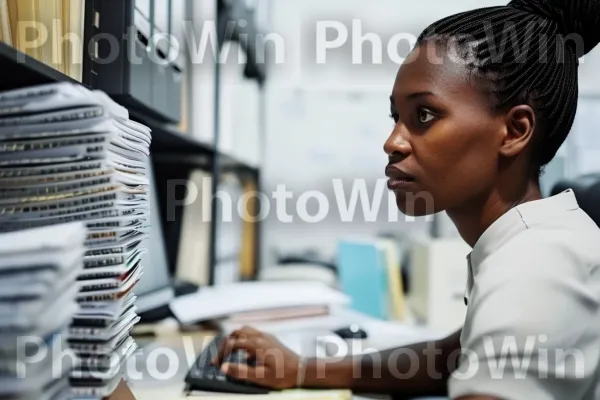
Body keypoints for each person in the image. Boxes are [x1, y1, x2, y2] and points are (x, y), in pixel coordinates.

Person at [212, 0, 600, 398]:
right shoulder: (534, 238)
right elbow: (450, 356)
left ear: (515, 131)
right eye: (395, 117)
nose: (392, 142)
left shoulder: (538, 264)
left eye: (425, 116)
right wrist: (299, 369)